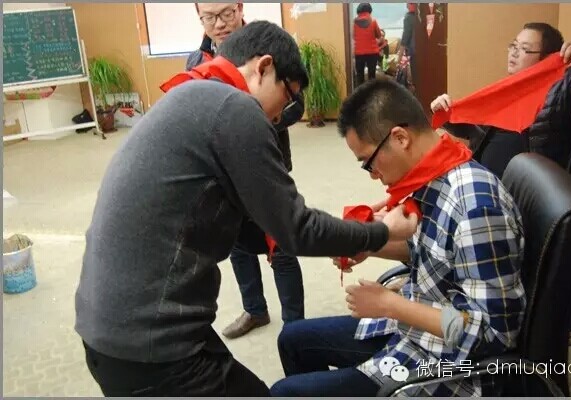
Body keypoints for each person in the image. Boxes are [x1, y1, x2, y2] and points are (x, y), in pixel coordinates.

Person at [75, 22, 418, 397]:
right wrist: (382, 231)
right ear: (264, 67)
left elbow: (253, 228)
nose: (279, 117)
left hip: (108, 330)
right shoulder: (234, 108)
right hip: (151, 345)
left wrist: (347, 237)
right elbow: (296, 229)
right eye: (287, 98)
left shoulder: (191, 94)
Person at [270, 78, 527, 397]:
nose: (372, 174)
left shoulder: (477, 208)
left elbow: (493, 335)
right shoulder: (436, 172)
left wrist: (390, 304)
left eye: (368, 162)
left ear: (400, 137)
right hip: (417, 326)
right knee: (292, 339)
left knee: (284, 393)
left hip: (446, 363)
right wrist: (370, 246)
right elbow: (434, 250)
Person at [187, 2, 306, 339]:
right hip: (224, 175)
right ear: (199, 17)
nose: (219, 24)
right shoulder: (197, 61)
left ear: (240, 7)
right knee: (237, 244)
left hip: (266, 166)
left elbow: (297, 104)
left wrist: (255, 119)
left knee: (281, 243)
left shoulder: (270, 45)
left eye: (226, 13)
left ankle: (296, 327)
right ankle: (254, 309)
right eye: (209, 17)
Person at [431, 23, 571, 178]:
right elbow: (476, 129)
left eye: (524, 49)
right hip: (481, 177)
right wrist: (447, 113)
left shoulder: (564, 85)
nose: (514, 53)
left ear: (547, 58)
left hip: (525, 187)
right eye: (513, 45)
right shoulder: (508, 90)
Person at [353, 3, 382, 86]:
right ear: (369, 11)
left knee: (360, 76)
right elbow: (379, 35)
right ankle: (371, 93)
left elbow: (353, 36)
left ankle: (360, 93)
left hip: (359, 53)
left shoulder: (353, 23)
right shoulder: (373, 22)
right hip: (372, 53)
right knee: (372, 77)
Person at [396, 3, 417, 84]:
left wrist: (399, 59)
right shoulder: (421, 15)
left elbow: (405, 37)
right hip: (424, 52)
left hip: (414, 52)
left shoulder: (409, 17)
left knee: (415, 78)